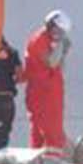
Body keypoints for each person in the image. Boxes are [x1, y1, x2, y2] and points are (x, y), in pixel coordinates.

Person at [22, 10, 72, 149]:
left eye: (61, 32)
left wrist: (62, 50)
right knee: (49, 132)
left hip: (50, 90)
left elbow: (58, 66)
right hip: (42, 92)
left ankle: (45, 159)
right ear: (50, 25)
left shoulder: (50, 41)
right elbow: (51, 62)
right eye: (57, 29)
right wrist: (62, 47)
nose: (58, 34)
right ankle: (49, 161)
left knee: (50, 130)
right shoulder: (38, 40)